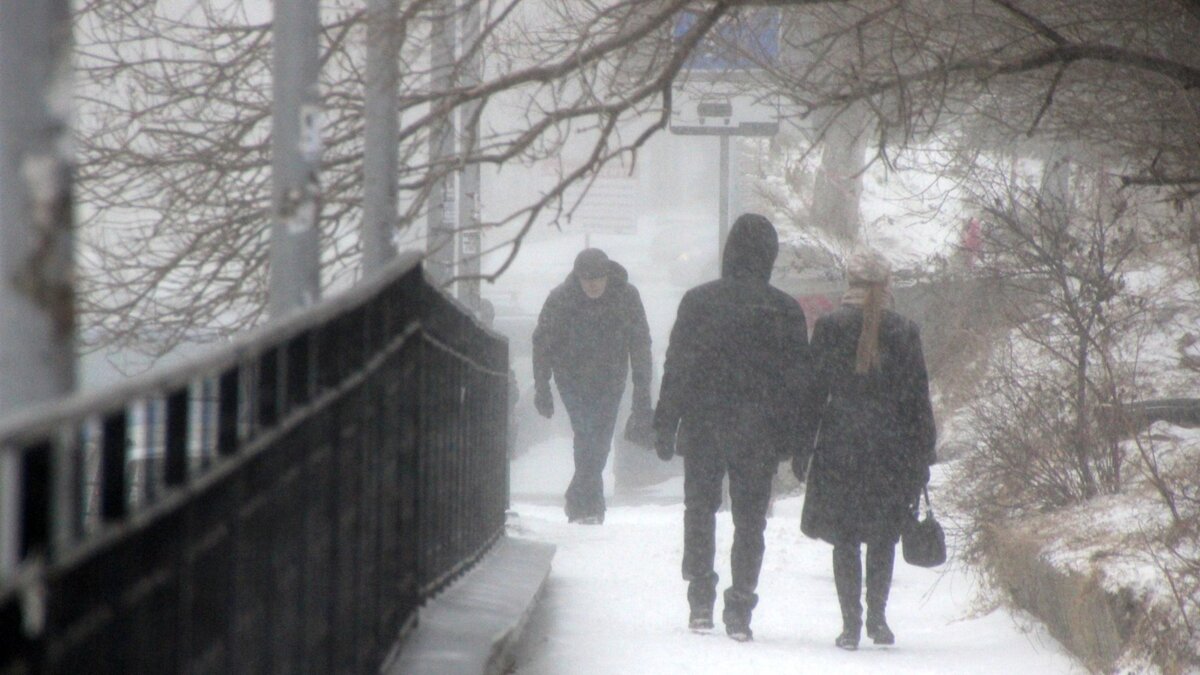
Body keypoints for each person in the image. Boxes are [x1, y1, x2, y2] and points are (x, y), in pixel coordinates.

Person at [654, 213, 812, 642]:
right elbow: (799, 382)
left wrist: (665, 422)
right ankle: (740, 604)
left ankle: (700, 597)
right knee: (749, 521)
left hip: (706, 423)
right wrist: (800, 441)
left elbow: (678, 366)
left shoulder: (699, 301)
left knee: (700, 509)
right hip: (758, 432)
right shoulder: (784, 310)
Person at [797, 249, 936, 650]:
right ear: (887, 284)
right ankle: (878, 617)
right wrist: (923, 452)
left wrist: (803, 445)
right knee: (882, 536)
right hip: (891, 448)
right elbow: (917, 398)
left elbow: (812, 393)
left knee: (845, 537)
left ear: (850, 282)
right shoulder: (905, 330)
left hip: (842, 444)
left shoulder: (829, 327)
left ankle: (850, 624)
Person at [533, 248, 653, 524]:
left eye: (599, 278)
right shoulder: (560, 300)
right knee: (586, 434)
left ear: (608, 275)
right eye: (587, 279)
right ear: (577, 278)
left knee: (599, 441)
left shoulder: (627, 297)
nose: (594, 285)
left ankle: (580, 497)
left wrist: (641, 389)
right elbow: (542, 343)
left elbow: (640, 343)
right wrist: (543, 386)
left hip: (611, 379)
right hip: (572, 380)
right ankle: (589, 506)